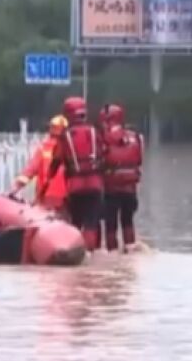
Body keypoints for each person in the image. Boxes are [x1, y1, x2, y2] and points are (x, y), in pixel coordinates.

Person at [47, 96, 104, 251]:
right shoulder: (95, 132)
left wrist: (48, 179)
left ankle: (77, 254)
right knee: (92, 222)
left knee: (76, 222)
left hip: (75, 186)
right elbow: (104, 155)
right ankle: (92, 254)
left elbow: (56, 160)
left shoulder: (65, 137)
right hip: (95, 185)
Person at [100, 103, 144, 252]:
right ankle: (130, 249)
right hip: (130, 189)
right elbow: (139, 160)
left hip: (110, 189)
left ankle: (112, 253)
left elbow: (99, 162)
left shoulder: (103, 138)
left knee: (110, 224)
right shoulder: (135, 137)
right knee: (128, 221)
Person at [9, 115, 69, 214]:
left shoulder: (43, 148)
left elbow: (29, 171)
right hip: (66, 201)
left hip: (45, 199)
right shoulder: (71, 149)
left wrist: (14, 189)